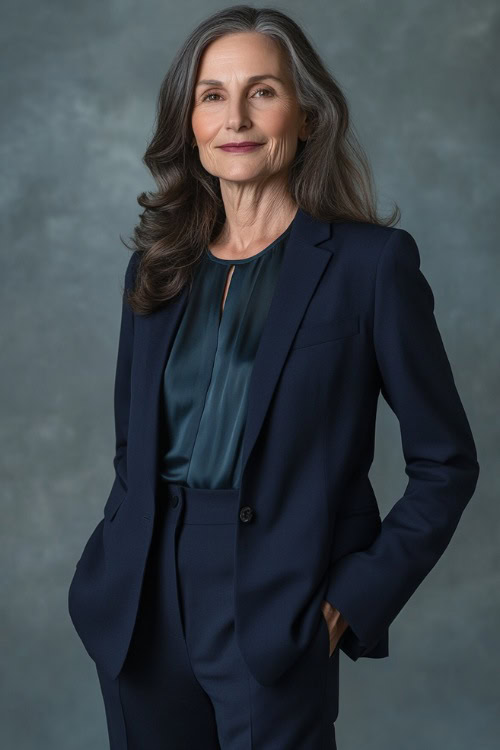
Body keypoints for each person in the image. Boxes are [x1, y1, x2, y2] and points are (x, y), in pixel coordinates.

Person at [68, 6, 480, 749]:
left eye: (263, 91)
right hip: (139, 605)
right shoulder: (156, 267)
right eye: (213, 95)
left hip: (279, 603)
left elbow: (446, 465)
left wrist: (352, 598)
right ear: (188, 122)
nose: (238, 117)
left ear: (306, 114)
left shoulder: (371, 266)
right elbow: (133, 449)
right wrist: (115, 561)